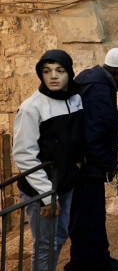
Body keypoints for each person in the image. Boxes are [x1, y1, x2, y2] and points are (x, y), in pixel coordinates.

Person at [12, 50, 84, 271]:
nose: (53, 76)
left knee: (60, 236)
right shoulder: (31, 107)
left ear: (69, 73)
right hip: (40, 189)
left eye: (60, 71)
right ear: (40, 75)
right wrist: (46, 195)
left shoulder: (75, 98)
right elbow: (24, 155)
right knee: (45, 245)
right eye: (47, 71)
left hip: (65, 184)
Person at [65, 48, 118, 271]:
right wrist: (109, 163)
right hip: (86, 168)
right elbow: (93, 135)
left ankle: (97, 260)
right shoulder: (99, 90)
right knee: (88, 219)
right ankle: (84, 265)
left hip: (82, 165)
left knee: (89, 218)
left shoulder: (91, 77)